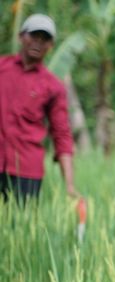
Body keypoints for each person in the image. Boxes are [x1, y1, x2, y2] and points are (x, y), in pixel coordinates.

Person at [0, 14, 78, 203]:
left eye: (45, 39)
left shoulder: (53, 86)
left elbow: (62, 135)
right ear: (21, 36)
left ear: (51, 46)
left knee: (20, 227)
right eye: (34, 36)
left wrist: (69, 184)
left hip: (27, 172)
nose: (38, 43)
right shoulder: (2, 67)